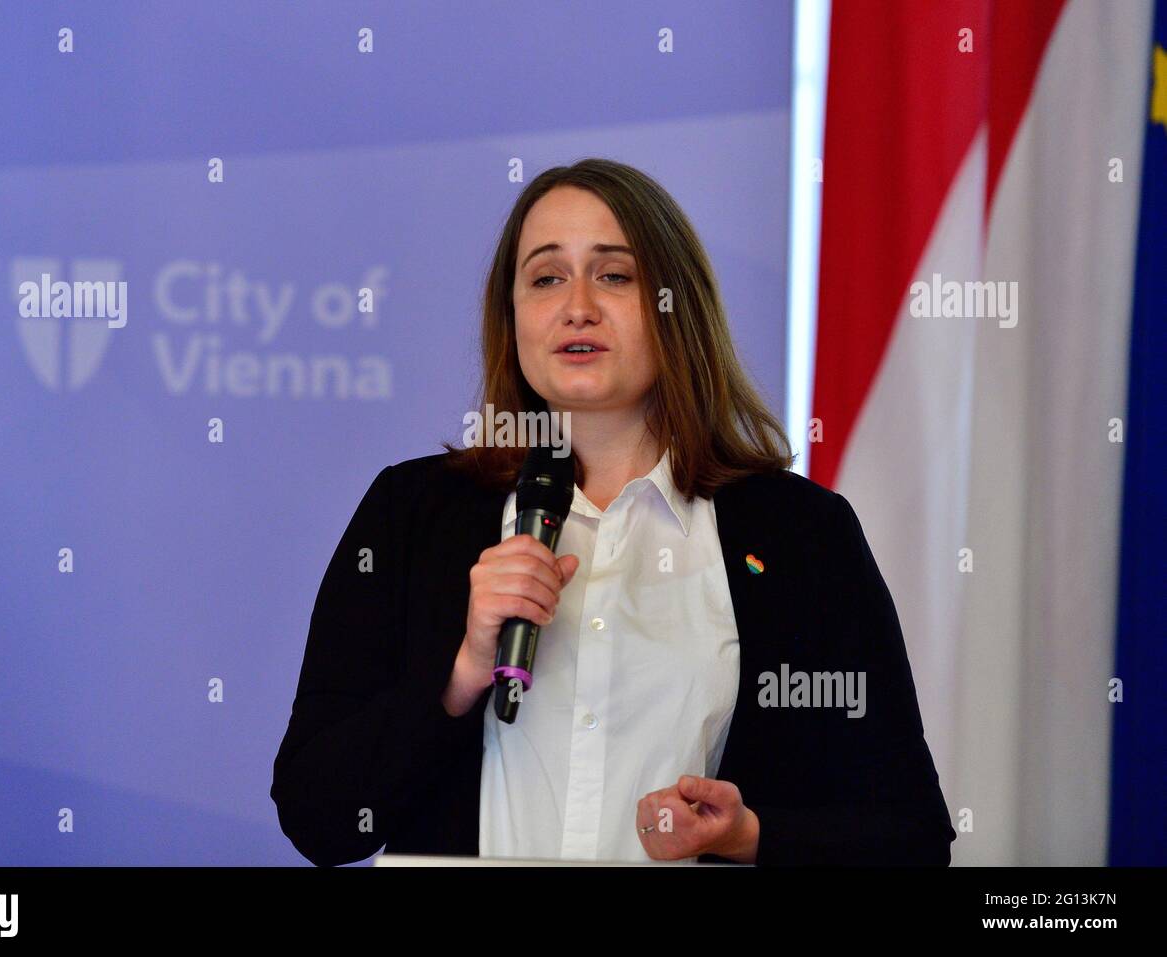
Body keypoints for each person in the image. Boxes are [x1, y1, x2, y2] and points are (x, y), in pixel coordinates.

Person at [270, 158, 955, 866]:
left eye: (614, 275)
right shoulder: (411, 513)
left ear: (674, 305)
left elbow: (909, 840)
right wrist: (459, 674)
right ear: (512, 318)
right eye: (545, 278)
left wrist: (746, 836)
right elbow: (317, 816)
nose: (577, 306)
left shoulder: (801, 535)